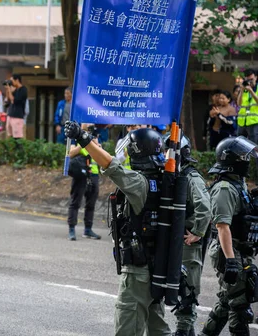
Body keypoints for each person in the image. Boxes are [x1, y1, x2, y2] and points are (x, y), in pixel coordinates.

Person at [64, 121, 171, 335]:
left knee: (127, 328)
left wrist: (83, 138)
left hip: (139, 271)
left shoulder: (140, 183)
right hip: (159, 267)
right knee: (158, 328)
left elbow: (111, 165)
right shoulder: (165, 181)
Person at [200, 136, 258, 336]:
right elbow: (222, 226)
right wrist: (231, 261)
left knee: (227, 300)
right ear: (231, 160)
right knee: (239, 306)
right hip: (229, 251)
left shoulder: (237, 184)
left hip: (240, 250)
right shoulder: (225, 188)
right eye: (242, 158)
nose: (246, 161)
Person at [164, 134, 211, 336]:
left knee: (188, 288)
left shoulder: (190, 177)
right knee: (178, 286)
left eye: (170, 150)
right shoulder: (174, 174)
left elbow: (205, 208)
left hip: (188, 243)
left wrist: (197, 232)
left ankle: (183, 330)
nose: (165, 155)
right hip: (177, 241)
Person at [67, 124, 101, 241]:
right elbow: (70, 153)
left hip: (94, 173)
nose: (89, 125)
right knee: (75, 202)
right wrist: (84, 144)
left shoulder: (95, 136)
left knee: (91, 203)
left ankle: (88, 229)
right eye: (86, 123)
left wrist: (95, 144)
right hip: (81, 173)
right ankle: (72, 229)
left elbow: (99, 152)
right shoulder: (74, 136)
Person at [237, 68, 258, 144]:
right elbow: (239, 103)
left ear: (256, 77)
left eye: (251, 79)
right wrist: (242, 90)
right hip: (242, 121)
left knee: (254, 144)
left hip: (254, 121)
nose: (250, 82)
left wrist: (251, 91)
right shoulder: (244, 89)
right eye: (247, 80)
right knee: (239, 144)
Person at [5, 75, 28, 139]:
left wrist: (10, 90)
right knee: (10, 136)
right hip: (10, 115)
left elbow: (14, 100)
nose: (11, 83)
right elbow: (8, 101)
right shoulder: (15, 90)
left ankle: (19, 149)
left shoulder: (23, 90)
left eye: (12, 81)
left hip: (17, 116)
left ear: (17, 80)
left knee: (17, 137)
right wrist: (8, 90)